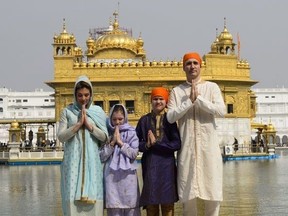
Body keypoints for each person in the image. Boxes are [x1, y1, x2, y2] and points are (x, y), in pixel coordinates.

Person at [166, 52, 226, 216]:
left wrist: (199, 100)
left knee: (213, 198)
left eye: (195, 63)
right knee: (188, 199)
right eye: (188, 63)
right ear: (183, 67)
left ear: (201, 66)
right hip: (187, 150)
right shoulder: (177, 92)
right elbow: (170, 117)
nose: (192, 66)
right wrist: (188, 102)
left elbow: (221, 111)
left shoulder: (211, 87)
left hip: (209, 151)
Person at [57, 75, 108, 216]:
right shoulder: (67, 112)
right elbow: (61, 137)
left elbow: (104, 138)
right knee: (72, 203)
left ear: (91, 94)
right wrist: (78, 125)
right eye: (80, 95)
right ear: (75, 95)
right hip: (72, 163)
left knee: (94, 205)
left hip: (93, 164)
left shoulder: (97, 112)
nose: (83, 99)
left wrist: (89, 126)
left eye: (86, 95)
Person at [136, 87, 181, 216]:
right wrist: (147, 145)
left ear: (166, 101)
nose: (158, 102)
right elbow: (135, 143)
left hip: (167, 167)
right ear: (151, 101)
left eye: (161, 99)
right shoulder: (144, 120)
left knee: (168, 205)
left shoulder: (170, 120)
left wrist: (158, 144)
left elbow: (177, 144)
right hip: (150, 165)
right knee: (151, 204)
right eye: (155, 99)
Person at [100, 104, 140, 216]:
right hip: (111, 177)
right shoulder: (106, 133)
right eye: (114, 119)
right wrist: (112, 143)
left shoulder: (131, 132)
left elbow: (133, 154)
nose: (117, 122)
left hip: (128, 177)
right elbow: (102, 156)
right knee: (114, 209)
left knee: (131, 208)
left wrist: (121, 143)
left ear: (125, 118)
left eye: (120, 119)